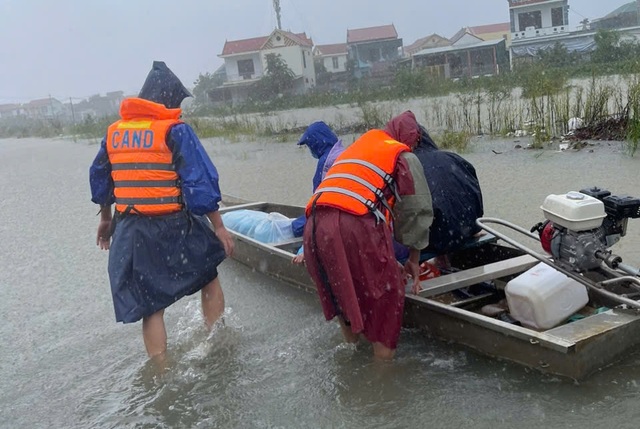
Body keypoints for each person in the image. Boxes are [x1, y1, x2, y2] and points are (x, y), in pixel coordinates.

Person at [89, 61, 234, 360]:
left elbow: (101, 178)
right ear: (167, 99)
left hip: (131, 230)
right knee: (209, 276)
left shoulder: (114, 133)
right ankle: (217, 344)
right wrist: (218, 226)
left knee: (151, 304)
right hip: (173, 224)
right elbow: (199, 181)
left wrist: (106, 219)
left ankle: (160, 370)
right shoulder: (175, 130)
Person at [302, 114, 433, 360]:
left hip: (314, 225)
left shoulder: (362, 145)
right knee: (386, 295)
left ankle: (353, 355)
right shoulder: (402, 154)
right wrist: (414, 258)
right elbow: (416, 211)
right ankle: (380, 382)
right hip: (352, 224)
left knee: (344, 291)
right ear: (410, 138)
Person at [387, 111, 484, 260]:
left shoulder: (404, 169)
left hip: (435, 239)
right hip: (468, 230)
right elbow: (475, 195)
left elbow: (408, 216)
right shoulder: (454, 158)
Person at [291, 121, 344, 264]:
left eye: (309, 145)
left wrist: (305, 247)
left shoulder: (325, 162)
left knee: (296, 228)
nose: (310, 150)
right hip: (349, 210)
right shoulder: (343, 152)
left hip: (333, 214)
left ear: (316, 143)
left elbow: (318, 203)